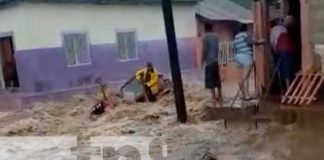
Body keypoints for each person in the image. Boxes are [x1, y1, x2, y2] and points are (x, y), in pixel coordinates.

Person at [270, 16, 295, 90]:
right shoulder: (284, 29)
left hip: (280, 50)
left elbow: (272, 42)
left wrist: (273, 51)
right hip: (289, 50)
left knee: (280, 69)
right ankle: (288, 87)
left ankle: (284, 88)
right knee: (287, 68)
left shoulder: (273, 30)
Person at [202, 23, 223, 107]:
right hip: (215, 60)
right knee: (217, 78)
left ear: (205, 28)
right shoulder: (216, 36)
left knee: (211, 81)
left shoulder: (205, 37)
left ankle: (213, 98)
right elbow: (218, 48)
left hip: (209, 62)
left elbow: (205, 50)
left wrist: (202, 61)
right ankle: (220, 96)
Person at [233, 24, 254, 100]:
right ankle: (247, 95)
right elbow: (250, 42)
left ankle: (243, 94)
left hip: (237, 57)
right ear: (246, 29)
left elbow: (234, 48)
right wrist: (258, 41)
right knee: (246, 77)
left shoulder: (236, 37)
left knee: (240, 77)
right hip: (246, 56)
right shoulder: (245, 35)